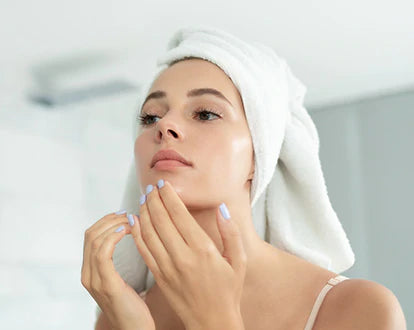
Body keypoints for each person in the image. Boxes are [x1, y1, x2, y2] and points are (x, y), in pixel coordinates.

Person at [81, 29, 407, 330]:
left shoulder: (358, 309)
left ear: (259, 155)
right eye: (151, 116)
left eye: (205, 113)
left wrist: (215, 320)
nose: (164, 126)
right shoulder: (120, 316)